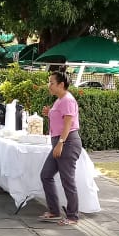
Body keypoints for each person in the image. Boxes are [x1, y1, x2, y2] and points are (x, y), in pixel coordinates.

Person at [39, 71, 82, 226]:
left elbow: (68, 124)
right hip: (60, 142)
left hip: (67, 142)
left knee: (67, 180)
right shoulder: (60, 100)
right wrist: (49, 113)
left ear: (61, 84)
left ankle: (72, 216)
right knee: (46, 175)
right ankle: (54, 211)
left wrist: (61, 143)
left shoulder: (67, 100)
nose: (49, 85)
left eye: (52, 82)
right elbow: (60, 118)